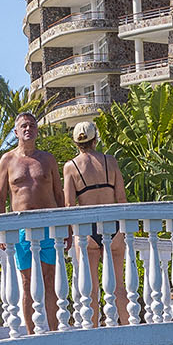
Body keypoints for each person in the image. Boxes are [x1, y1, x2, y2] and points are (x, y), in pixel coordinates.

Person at [0, 111, 63, 333]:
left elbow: (59, 194)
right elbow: (0, 197)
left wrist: (66, 227)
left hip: (48, 227)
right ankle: (32, 333)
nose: (27, 129)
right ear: (15, 131)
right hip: (22, 228)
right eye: (23, 125)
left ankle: (53, 332)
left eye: (31, 125)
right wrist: (0, 229)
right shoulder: (8, 160)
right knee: (26, 282)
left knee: (49, 279)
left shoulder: (48, 159)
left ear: (37, 130)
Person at [63, 117, 130, 327]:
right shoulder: (111, 162)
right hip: (114, 226)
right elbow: (121, 199)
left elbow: (69, 205)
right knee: (120, 285)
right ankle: (129, 328)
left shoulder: (71, 167)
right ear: (95, 139)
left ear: (76, 143)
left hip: (87, 230)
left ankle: (93, 331)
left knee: (90, 288)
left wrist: (72, 234)